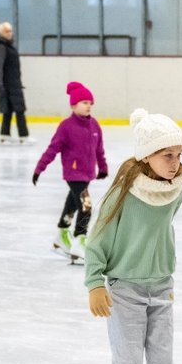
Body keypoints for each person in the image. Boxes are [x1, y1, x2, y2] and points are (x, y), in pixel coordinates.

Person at [84, 108, 182, 364]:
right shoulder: (123, 192)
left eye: (178, 154)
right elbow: (98, 237)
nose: (175, 162)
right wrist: (95, 282)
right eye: (167, 155)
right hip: (126, 291)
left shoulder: (174, 190)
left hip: (162, 288)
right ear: (146, 155)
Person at [31, 82, 108, 261]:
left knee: (72, 204)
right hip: (74, 174)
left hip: (87, 174)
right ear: (73, 106)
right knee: (86, 206)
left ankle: (62, 235)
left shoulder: (94, 125)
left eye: (90, 103)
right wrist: (39, 168)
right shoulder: (66, 126)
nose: (88, 106)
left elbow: (99, 149)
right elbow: (53, 149)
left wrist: (103, 167)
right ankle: (80, 241)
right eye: (84, 102)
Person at [0, 22, 33, 145]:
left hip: (13, 82)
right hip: (8, 84)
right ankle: (23, 135)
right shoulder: (1, 47)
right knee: (19, 109)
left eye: (10, 31)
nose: (10, 33)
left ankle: (5, 134)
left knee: (8, 110)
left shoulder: (7, 46)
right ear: (0, 34)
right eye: (7, 31)